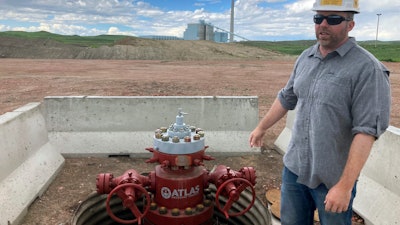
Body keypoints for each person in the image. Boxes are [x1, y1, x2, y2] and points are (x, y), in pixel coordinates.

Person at [249, 0, 391, 224]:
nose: (323, 24)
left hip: (333, 179)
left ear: (350, 25)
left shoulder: (367, 69)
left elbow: (366, 132)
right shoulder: (306, 57)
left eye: (333, 19)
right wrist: (261, 128)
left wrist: (344, 187)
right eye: (318, 18)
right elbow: (287, 97)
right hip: (295, 170)